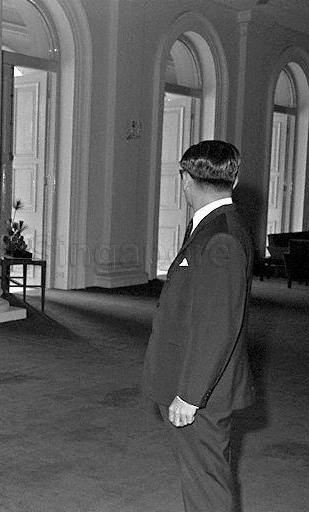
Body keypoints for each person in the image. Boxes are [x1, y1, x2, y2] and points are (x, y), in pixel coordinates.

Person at [142, 140, 254, 512]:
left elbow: (217, 325)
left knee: (207, 486)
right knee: (202, 480)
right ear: (233, 179)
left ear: (186, 179)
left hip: (202, 390)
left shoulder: (220, 235)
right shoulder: (216, 225)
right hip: (201, 381)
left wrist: (190, 395)